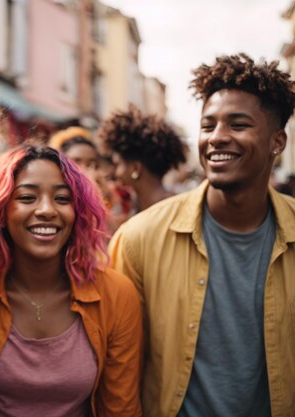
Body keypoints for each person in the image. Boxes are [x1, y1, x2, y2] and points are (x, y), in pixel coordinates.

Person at [108, 53, 295, 417]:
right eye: (208, 126)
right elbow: (117, 369)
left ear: (277, 141)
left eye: (238, 125)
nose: (217, 138)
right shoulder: (139, 239)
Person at [0, 145, 143, 417]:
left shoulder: (116, 294)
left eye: (62, 199)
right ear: (0, 212)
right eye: (27, 198)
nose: (46, 210)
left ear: (78, 213)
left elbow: (120, 408)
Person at [98, 106, 187, 212]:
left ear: (136, 168)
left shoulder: (171, 209)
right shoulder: (134, 206)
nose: (115, 173)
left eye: (118, 165)